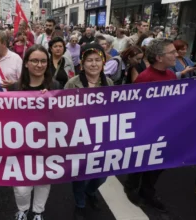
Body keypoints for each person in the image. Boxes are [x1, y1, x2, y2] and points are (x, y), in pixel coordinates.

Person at [125, 38, 178, 213]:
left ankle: (148, 191)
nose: (176, 54)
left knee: (158, 164)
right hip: (147, 130)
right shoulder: (145, 78)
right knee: (141, 162)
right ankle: (131, 188)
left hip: (166, 128)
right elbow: (136, 108)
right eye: (172, 52)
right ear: (159, 58)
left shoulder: (171, 75)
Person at [9, 44, 60, 220]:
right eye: (35, 61)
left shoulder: (55, 86)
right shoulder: (15, 88)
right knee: (21, 186)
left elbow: (65, 118)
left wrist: (52, 100)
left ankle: (38, 211)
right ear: (26, 63)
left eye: (43, 61)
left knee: (44, 181)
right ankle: (22, 209)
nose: (39, 65)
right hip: (20, 146)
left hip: (46, 144)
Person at [64, 44, 113, 219]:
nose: (93, 64)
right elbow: (63, 108)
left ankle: (91, 192)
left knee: (102, 174)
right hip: (79, 137)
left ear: (103, 62)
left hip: (102, 136)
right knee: (79, 174)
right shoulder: (73, 83)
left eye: (97, 60)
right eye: (89, 60)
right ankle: (80, 204)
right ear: (82, 64)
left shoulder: (109, 83)